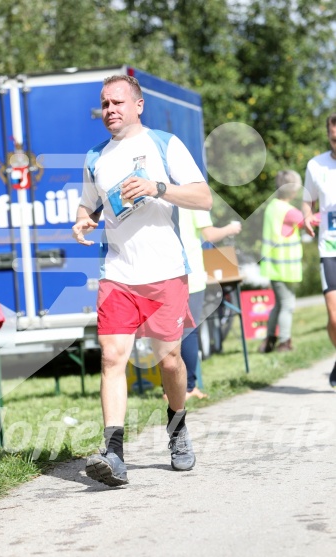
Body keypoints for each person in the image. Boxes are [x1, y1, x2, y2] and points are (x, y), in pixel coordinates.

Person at [72, 74, 212, 487]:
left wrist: (158, 187)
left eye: (117, 102)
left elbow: (203, 197)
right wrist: (83, 221)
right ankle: (113, 454)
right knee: (112, 358)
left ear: (138, 105)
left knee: (169, 361)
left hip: (165, 271)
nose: (109, 110)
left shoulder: (165, 144)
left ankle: (177, 427)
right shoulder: (95, 156)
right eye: (104, 103)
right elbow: (87, 206)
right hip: (117, 273)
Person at [175, 210, 242, 400]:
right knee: (188, 331)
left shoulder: (155, 190)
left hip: (162, 276)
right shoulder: (194, 198)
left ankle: (168, 389)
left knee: (168, 332)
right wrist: (231, 228)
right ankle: (188, 388)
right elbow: (209, 234)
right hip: (190, 275)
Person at [258, 170, 318, 354]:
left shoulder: (272, 207)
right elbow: (311, 221)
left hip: (273, 266)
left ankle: (269, 340)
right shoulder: (289, 211)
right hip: (284, 268)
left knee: (279, 304)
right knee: (288, 304)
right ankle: (284, 342)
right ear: (293, 191)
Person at [302, 112, 336, 387]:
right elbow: (307, 202)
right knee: (334, 316)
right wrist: (306, 218)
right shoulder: (315, 166)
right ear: (328, 135)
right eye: (334, 137)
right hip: (330, 247)